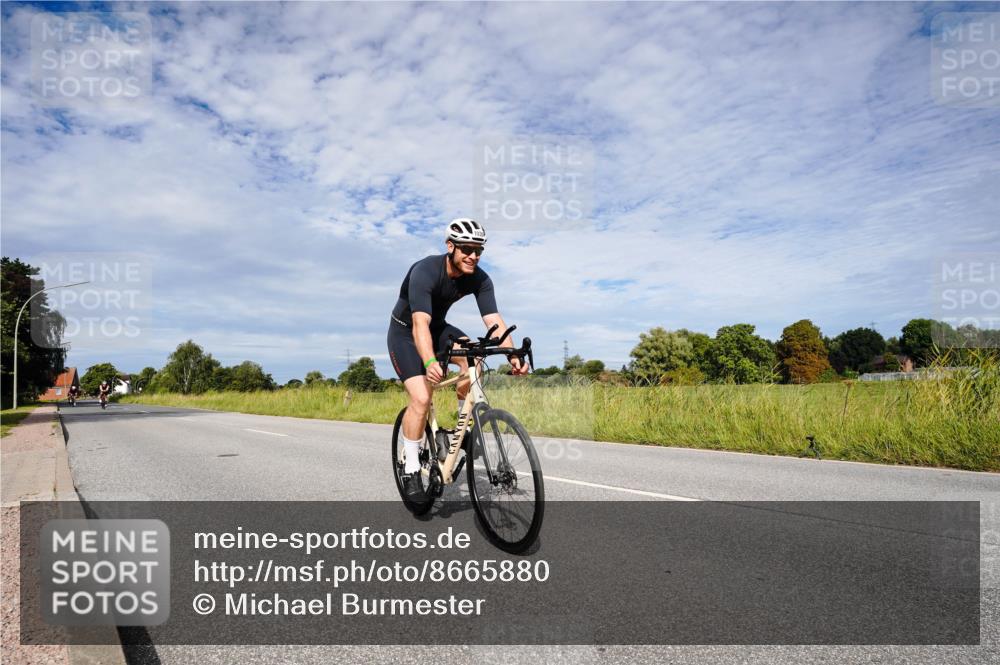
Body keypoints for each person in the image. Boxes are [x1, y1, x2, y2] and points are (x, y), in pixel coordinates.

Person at [387, 218, 528, 499]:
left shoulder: (480, 278)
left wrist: (512, 354)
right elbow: (419, 324)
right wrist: (428, 362)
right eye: (466, 249)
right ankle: (412, 467)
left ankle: (462, 429)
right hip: (405, 332)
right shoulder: (425, 271)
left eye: (479, 250)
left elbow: (493, 320)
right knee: (421, 398)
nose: (473, 256)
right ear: (450, 246)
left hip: (438, 328)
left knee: (472, 358)